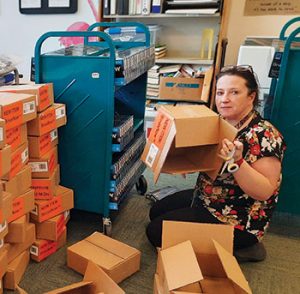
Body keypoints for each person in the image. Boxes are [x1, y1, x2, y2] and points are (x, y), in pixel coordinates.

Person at [146, 65, 286, 262]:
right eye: (220, 92)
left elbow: (263, 192)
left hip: (235, 217)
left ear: (251, 97)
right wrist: (182, 160)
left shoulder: (265, 135)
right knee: (156, 211)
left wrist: (237, 162)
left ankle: (246, 246)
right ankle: (219, 242)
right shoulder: (223, 121)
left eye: (234, 92)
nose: (224, 99)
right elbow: (207, 158)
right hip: (209, 196)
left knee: (155, 232)